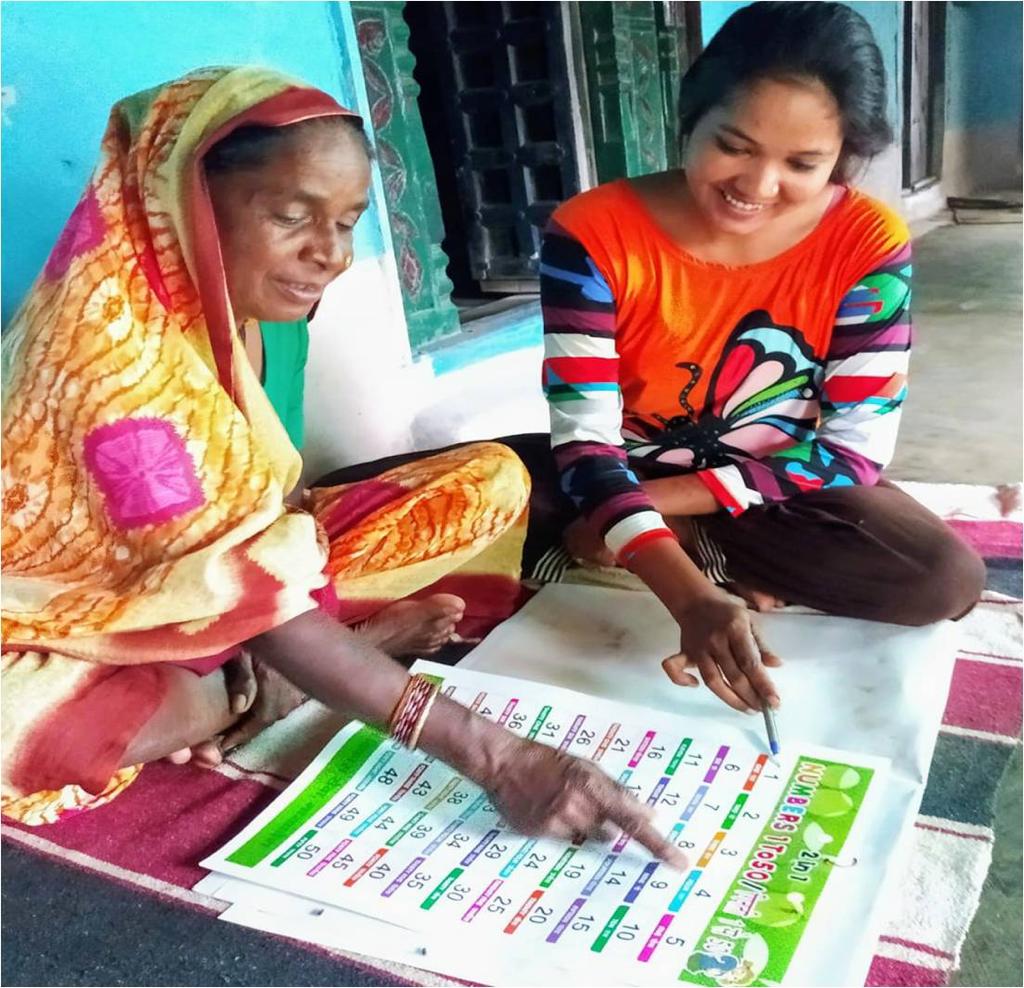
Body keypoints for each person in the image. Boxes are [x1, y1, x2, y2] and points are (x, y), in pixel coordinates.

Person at [0, 66, 683, 867]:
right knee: (18, 726)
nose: (327, 254)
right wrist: (499, 756)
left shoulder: (264, 311)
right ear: (180, 198)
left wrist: (261, 601)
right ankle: (244, 688)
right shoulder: (107, 353)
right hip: (77, 621)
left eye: (349, 221)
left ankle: (293, 659)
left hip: (238, 583)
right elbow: (209, 566)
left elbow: (276, 504)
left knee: (495, 478)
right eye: (291, 216)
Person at [538, 1, 985, 715]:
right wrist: (690, 597)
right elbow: (587, 444)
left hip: (775, 483)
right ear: (693, 116)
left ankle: (668, 538)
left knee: (940, 578)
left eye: (803, 163)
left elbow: (853, 453)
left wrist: (647, 510)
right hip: (621, 464)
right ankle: (685, 551)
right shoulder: (593, 234)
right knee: (415, 499)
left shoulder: (867, 245)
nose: (757, 185)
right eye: (735, 146)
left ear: (842, 159)